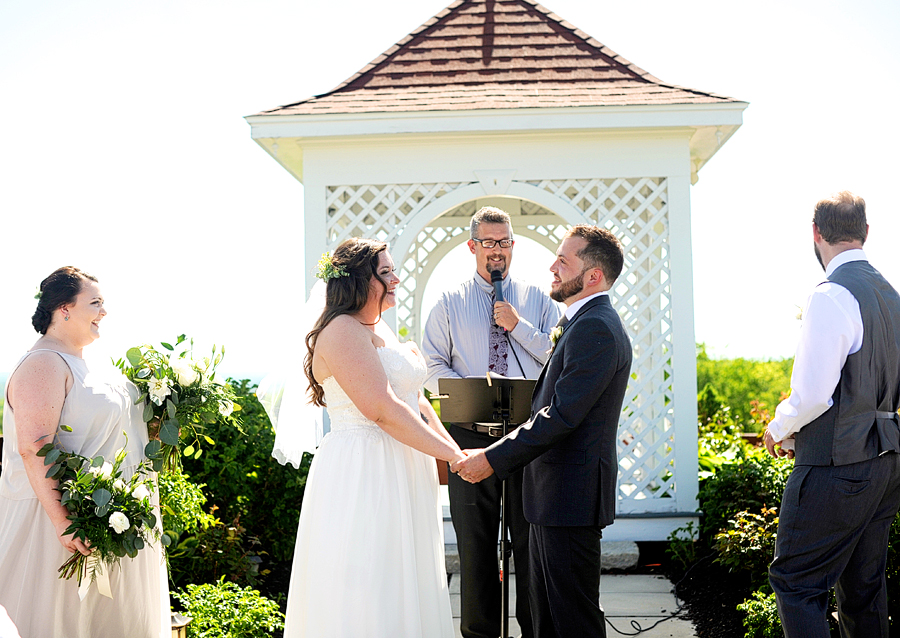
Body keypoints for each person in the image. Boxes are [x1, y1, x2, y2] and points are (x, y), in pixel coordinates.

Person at [452, 224, 633, 638]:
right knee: (551, 619)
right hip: (553, 497)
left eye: (563, 260)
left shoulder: (596, 328)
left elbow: (560, 417)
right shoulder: (581, 322)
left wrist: (491, 459)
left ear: (593, 276)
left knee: (573, 621)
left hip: (569, 497)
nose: (552, 266)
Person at [280, 238, 465, 637]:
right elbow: (381, 408)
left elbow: (415, 402)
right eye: (385, 273)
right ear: (359, 281)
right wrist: (455, 457)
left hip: (403, 466)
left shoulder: (378, 327)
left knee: (405, 576)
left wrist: (451, 450)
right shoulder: (341, 330)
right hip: (364, 469)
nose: (396, 279)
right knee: (368, 580)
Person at [0, 267, 170, 638]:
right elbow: (34, 446)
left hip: (109, 516)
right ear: (63, 309)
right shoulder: (43, 363)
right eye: (95, 303)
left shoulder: (89, 363)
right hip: (57, 524)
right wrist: (64, 523)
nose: (103, 313)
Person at [763, 191, 900, 638]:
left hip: (838, 466)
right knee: (864, 588)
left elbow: (813, 395)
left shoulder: (831, 294)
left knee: (797, 584)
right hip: (887, 461)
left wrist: (778, 428)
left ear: (816, 233)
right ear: (866, 232)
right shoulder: (893, 297)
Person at [422, 205, 561, 638]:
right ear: (472, 247)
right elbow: (430, 365)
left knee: (530, 544)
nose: (496, 251)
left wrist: (519, 327)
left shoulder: (540, 301)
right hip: (469, 436)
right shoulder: (449, 302)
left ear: (513, 246)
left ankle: (534, 631)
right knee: (475, 546)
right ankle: (479, 634)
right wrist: (469, 391)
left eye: (504, 242)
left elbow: (559, 359)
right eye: (488, 243)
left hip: (526, 436)